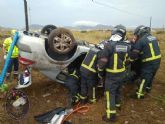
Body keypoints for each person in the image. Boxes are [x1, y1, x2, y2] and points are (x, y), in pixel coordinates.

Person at [97, 25, 130, 122]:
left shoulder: (109, 45)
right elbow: (128, 60)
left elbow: (102, 62)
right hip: (122, 73)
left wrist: (100, 72)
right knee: (118, 89)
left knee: (109, 94)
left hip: (111, 75)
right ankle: (117, 105)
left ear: (114, 32)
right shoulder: (127, 46)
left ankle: (111, 116)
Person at [130, 25, 161, 99]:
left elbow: (134, 55)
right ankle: (148, 88)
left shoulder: (141, 40)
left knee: (144, 78)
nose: (137, 36)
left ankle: (139, 94)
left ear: (140, 33)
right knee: (151, 76)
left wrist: (130, 60)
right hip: (157, 60)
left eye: (137, 34)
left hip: (149, 62)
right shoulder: (153, 37)